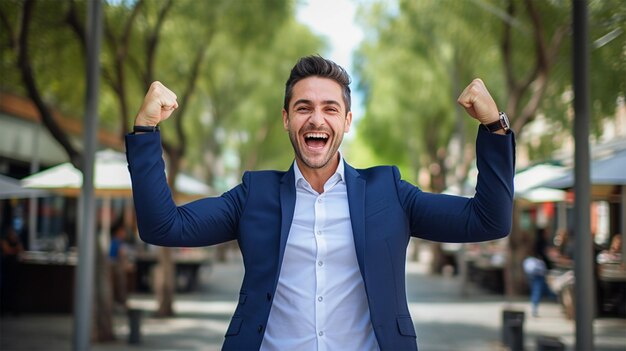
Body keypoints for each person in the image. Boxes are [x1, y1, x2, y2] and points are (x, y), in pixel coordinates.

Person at [125, 55, 515, 350]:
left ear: (346, 121)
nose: (316, 119)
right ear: (285, 119)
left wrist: (494, 128)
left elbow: (487, 221)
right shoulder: (254, 195)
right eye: (303, 108)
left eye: (330, 108)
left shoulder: (389, 191)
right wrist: (145, 131)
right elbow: (164, 226)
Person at [523, 248, 556, 317]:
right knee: (537, 292)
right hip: (538, 278)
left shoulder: (530, 261)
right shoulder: (534, 261)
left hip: (538, 278)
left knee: (545, 292)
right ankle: (534, 309)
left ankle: (553, 299)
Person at [0, 227, 24, 315]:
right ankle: (4, 308)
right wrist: (15, 250)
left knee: (15, 288)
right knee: (6, 288)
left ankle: (14, 309)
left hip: (14, 267)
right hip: (7, 266)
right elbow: (7, 251)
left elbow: (20, 249)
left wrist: (13, 250)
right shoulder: (4, 240)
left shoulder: (17, 240)